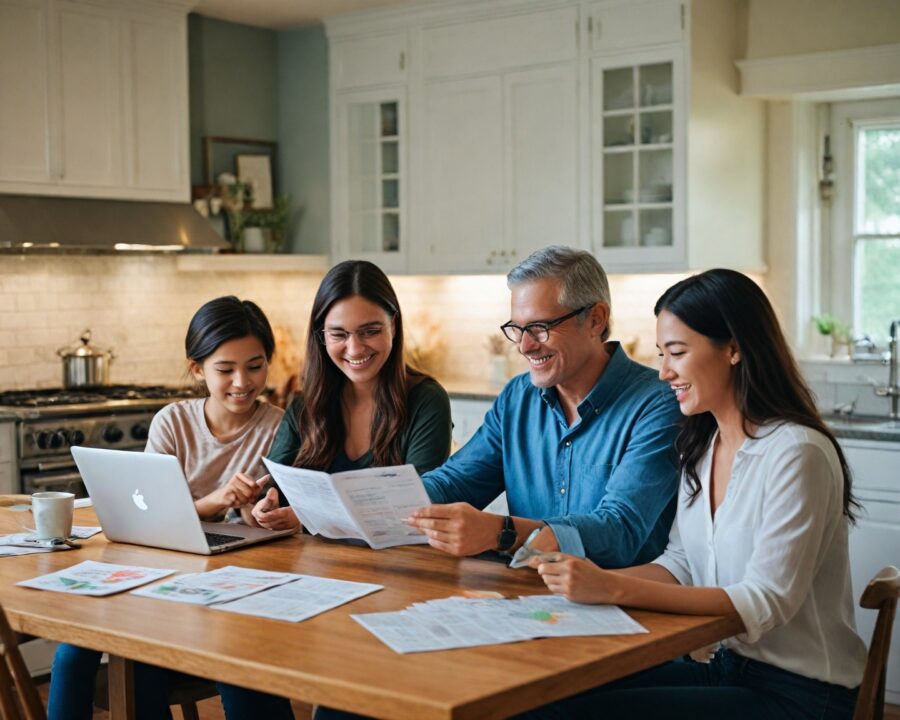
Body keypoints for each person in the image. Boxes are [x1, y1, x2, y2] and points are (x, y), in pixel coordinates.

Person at [522, 268, 866, 719]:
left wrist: (611, 587)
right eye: (661, 354)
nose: (664, 372)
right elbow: (680, 564)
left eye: (678, 353)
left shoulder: (797, 452)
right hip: (729, 670)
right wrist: (581, 583)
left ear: (734, 349)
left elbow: (765, 600)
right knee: (549, 694)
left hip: (805, 695)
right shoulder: (703, 446)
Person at [48, 296, 287, 720]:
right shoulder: (173, 421)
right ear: (197, 369)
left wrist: (260, 510)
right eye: (225, 369)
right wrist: (215, 502)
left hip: (231, 583)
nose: (242, 381)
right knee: (73, 650)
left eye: (255, 366)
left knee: (229, 655)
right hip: (158, 573)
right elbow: (149, 514)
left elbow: (270, 524)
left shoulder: (279, 427)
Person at [405, 245, 683, 566]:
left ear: (595, 320)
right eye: (518, 329)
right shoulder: (517, 397)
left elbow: (620, 529)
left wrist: (502, 532)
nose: (525, 346)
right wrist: (380, 500)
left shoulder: (659, 404)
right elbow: (454, 482)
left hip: (616, 592)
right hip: (525, 590)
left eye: (540, 328)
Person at [250, 257, 453, 535]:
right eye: (339, 334)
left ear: (393, 325)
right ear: (321, 335)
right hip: (313, 559)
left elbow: (420, 509)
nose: (355, 349)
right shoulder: (305, 404)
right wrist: (268, 503)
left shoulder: (427, 401)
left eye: (370, 331)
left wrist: (312, 518)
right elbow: (273, 484)